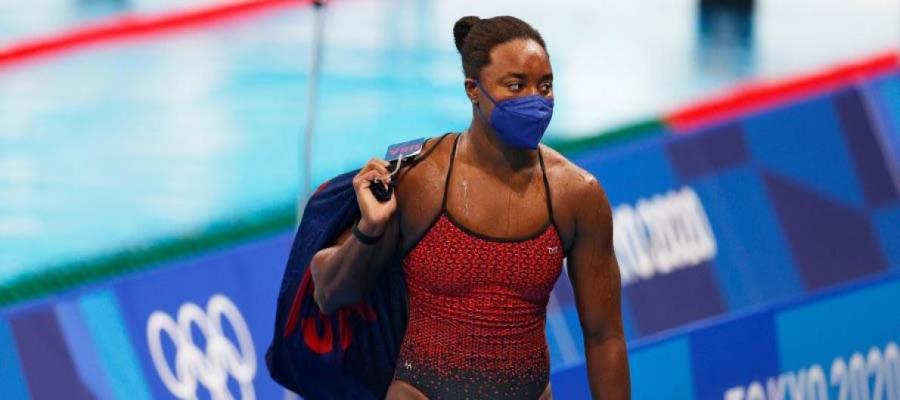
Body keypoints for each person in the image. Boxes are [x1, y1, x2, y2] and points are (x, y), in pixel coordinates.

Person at [309, 15, 630, 400]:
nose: (536, 100)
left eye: (545, 86)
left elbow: (604, 337)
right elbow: (328, 294)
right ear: (473, 90)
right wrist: (369, 230)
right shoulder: (421, 178)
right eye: (516, 86)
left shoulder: (576, 194)